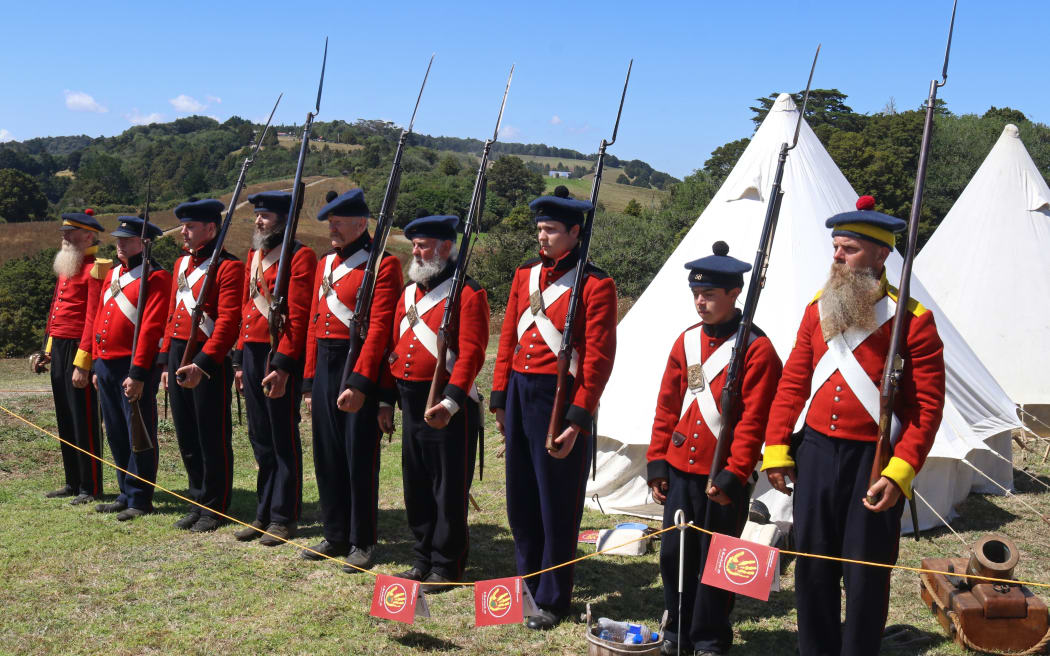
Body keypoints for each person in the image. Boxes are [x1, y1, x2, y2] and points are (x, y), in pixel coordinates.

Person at [762, 196, 945, 656]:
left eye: (850, 249)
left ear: (881, 255)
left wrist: (899, 472)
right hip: (817, 454)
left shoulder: (914, 322)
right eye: (836, 248)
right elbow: (793, 385)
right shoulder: (816, 310)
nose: (837, 258)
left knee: (866, 572)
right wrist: (778, 448)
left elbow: (926, 409)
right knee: (813, 566)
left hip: (873, 459)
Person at [490, 187, 617, 630]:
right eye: (539, 229)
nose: (541, 237)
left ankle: (551, 596)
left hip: (559, 398)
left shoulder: (596, 283)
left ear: (574, 232)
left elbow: (598, 359)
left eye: (550, 230)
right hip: (523, 392)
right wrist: (501, 398)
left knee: (556, 502)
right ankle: (525, 583)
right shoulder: (525, 274)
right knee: (521, 498)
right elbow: (508, 337)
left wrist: (578, 420)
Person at [646, 241, 782, 656]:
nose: (700, 302)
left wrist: (733, 474)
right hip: (681, 468)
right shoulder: (686, 342)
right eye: (696, 294)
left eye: (709, 295)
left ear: (734, 294)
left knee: (718, 562)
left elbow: (753, 423)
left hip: (721, 477)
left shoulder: (758, 349)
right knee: (673, 554)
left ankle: (709, 638)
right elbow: (667, 405)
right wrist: (657, 462)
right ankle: (677, 628)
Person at [380, 214, 488, 590]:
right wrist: (384, 400)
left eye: (423, 245)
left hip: (447, 406)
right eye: (414, 245)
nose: (416, 251)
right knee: (417, 484)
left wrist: (452, 401)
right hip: (410, 401)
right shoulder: (409, 292)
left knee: (448, 488)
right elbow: (395, 347)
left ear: (445, 247)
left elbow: (472, 353)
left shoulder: (468, 293)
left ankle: (447, 564)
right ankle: (422, 555)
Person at [301, 188, 403, 569]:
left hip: (358, 364)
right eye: (331, 223)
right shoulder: (325, 263)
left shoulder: (383, 264)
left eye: (339, 223)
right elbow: (314, 323)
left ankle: (362, 541)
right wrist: (310, 381)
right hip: (326, 364)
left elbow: (379, 329)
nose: (333, 229)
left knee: (358, 458)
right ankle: (334, 533)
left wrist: (360, 383)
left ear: (361, 223)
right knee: (327, 455)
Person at [232, 191, 316, 546]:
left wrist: (282, 365)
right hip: (252, 351)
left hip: (277, 354)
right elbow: (245, 308)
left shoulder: (299, 256)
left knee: (283, 438)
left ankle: (284, 514)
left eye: (265, 216)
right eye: (257, 215)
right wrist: (238, 359)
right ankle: (263, 509)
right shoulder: (255, 256)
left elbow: (297, 316)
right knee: (259, 437)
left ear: (283, 220)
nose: (258, 221)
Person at [158, 198, 243, 533]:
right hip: (179, 353)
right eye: (183, 226)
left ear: (210, 228)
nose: (184, 232)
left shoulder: (228, 267)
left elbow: (227, 323)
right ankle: (197, 498)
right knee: (187, 435)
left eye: (190, 226)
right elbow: (171, 315)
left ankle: (215, 506)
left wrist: (203, 363)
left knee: (212, 436)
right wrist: (166, 361)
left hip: (207, 360)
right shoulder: (182, 265)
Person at [90, 216, 171, 521]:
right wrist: (97, 362)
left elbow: (150, 328)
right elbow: (100, 319)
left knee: (138, 431)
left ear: (145, 243)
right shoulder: (114, 275)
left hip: (133, 364)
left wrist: (137, 372)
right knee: (115, 430)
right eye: (118, 239)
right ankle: (125, 491)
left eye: (126, 240)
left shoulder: (156, 277)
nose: (119, 244)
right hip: (107, 363)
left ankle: (140, 496)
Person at [36, 209, 109, 504]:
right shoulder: (68, 265)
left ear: (88, 236)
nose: (64, 236)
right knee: (65, 417)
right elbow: (57, 311)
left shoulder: (96, 268)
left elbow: (93, 318)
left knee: (84, 419)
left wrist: (83, 361)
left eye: (71, 232)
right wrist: (46, 350)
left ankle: (90, 485)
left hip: (81, 348)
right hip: (61, 347)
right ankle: (72, 481)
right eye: (64, 232)